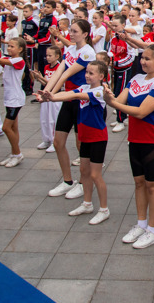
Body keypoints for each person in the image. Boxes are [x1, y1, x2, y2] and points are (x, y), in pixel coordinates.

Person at [104, 44, 154, 249]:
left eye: (148, 59)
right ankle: (141, 224)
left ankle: (152, 229)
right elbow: (119, 101)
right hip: (135, 138)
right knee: (139, 183)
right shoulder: (135, 79)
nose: (143, 62)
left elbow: (141, 112)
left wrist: (113, 104)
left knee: (153, 184)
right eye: (142, 58)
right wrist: (110, 98)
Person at [38, 60, 111, 225]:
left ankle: (104, 209)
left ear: (101, 76)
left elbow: (75, 95)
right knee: (84, 171)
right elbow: (69, 93)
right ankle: (87, 204)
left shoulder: (100, 92)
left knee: (95, 174)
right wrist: (51, 97)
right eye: (86, 72)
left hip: (97, 138)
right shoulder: (85, 87)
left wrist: (52, 96)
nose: (87, 75)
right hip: (84, 136)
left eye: (91, 73)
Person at [43, 19, 96, 200]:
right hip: (68, 98)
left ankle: (83, 182)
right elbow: (59, 70)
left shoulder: (88, 52)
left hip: (81, 100)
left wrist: (51, 94)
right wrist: (46, 91)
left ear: (85, 34)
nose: (71, 34)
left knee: (81, 144)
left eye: (74, 31)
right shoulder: (70, 49)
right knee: (58, 142)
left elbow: (68, 73)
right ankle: (67, 181)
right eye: (71, 31)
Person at [0, 37, 27, 168]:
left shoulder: (19, 60)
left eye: (12, 46)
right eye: (8, 46)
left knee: (5, 128)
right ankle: (14, 153)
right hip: (10, 98)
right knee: (13, 128)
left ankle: (17, 154)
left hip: (15, 99)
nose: (9, 48)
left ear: (20, 49)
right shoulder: (10, 60)